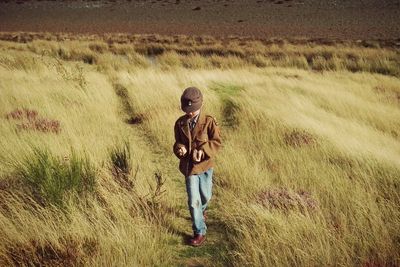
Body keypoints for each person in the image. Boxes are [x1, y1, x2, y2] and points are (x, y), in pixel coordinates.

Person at [173, 86, 222, 247]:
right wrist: (180, 149)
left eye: (193, 109)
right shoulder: (180, 123)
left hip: (206, 166)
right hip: (190, 168)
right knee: (194, 200)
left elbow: (216, 142)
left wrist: (203, 150)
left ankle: (202, 211)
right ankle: (199, 231)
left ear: (201, 104)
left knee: (205, 197)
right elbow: (177, 143)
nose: (190, 112)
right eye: (187, 109)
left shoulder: (209, 122)